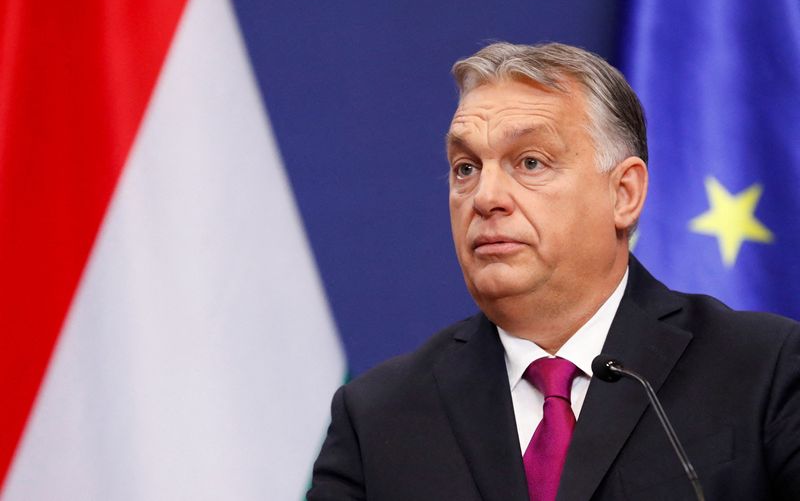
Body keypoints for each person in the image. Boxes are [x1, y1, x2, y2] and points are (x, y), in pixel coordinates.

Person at [306, 42, 800, 501]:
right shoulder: (376, 418)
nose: (486, 198)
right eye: (465, 167)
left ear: (624, 194)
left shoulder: (765, 369)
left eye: (531, 162)